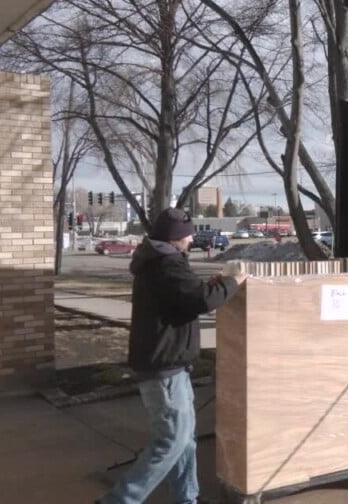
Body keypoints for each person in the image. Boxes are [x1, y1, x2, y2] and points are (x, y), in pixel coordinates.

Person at [97, 208, 245, 504]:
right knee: (170, 443)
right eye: (188, 234)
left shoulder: (161, 262)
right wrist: (233, 283)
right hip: (164, 369)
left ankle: (186, 498)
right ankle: (120, 500)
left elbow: (187, 297)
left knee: (185, 442)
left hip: (172, 366)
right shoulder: (166, 265)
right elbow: (201, 300)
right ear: (175, 237)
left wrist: (214, 285)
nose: (192, 238)